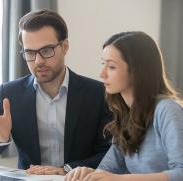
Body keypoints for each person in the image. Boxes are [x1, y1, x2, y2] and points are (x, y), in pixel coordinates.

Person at [0, 9, 111, 175]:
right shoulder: (10, 94)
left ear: (65, 46)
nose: (38, 61)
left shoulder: (98, 94)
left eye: (46, 50)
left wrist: (65, 170)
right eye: (30, 52)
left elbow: (110, 154)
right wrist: (0, 138)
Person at [64, 31, 183, 181]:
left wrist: (120, 179)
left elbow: (181, 172)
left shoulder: (167, 110)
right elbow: (108, 169)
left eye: (112, 67)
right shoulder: (126, 115)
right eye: (103, 64)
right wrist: (88, 173)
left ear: (137, 70)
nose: (102, 74)